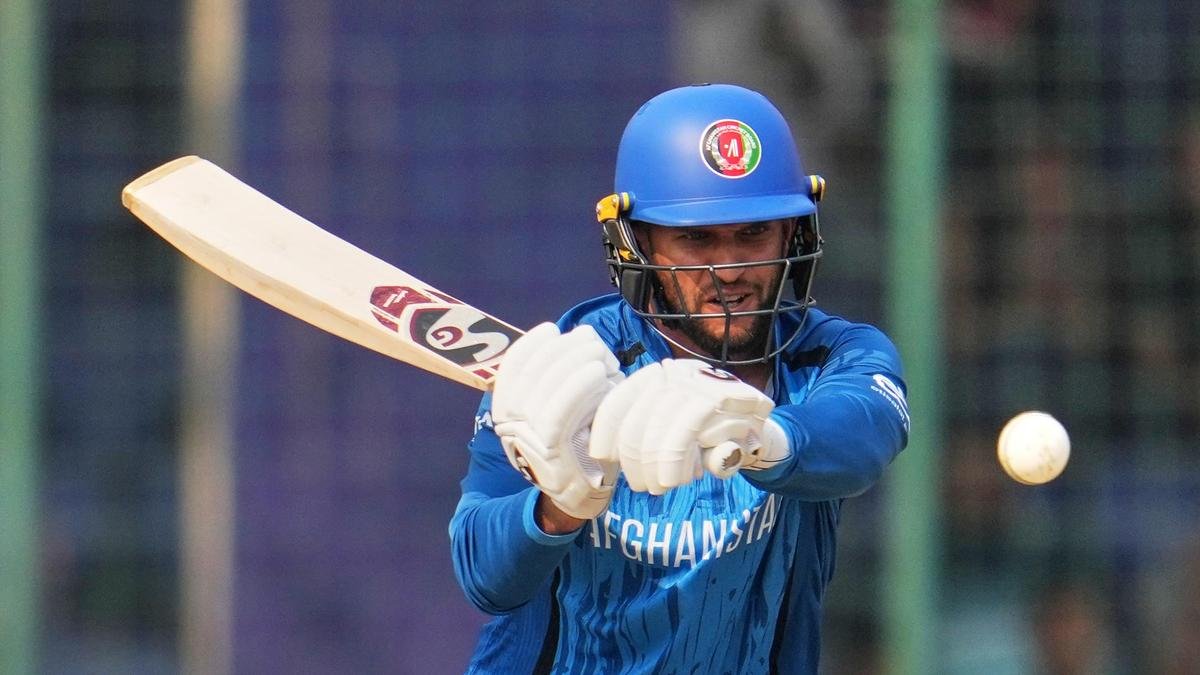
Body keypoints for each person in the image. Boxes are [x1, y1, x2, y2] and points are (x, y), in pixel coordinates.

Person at [449, 83, 910, 674]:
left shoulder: (829, 355)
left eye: (754, 233)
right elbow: (483, 577)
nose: (731, 270)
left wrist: (761, 437)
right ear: (637, 242)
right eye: (695, 238)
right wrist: (557, 507)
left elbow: (865, 434)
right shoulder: (568, 362)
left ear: (793, 233)